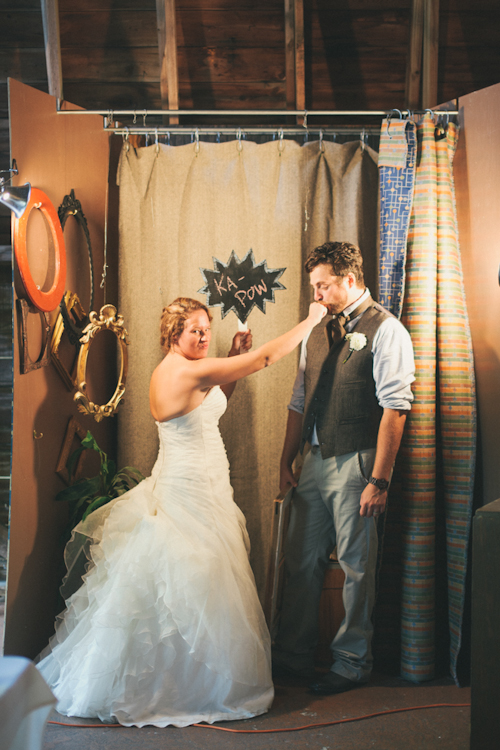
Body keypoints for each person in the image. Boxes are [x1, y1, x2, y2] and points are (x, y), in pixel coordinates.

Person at [37, 296, 326, 727]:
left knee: (200, 585)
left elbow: (210, 402)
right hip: (189, 491)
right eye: (195, 329)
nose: (204, 335)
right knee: (194, 584)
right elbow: (265, 358)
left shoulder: (187, 373)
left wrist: (229, 358)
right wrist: (312, 320)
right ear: (174, 335)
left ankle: (189, 682)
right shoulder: (183, 370)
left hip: (205, 488)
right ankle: (177, 689)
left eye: (207, 328)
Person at [272, 241, 415, 695]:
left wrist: (379, 480)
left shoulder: (387, 329)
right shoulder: (316, 329)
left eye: (323, 285)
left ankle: (352, 663)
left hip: (357, 462)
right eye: (313, 286)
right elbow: (299, 399)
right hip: (311, 462)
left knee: (356, 567)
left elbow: (396, 408)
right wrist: (285, 459)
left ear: (349, 280)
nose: (315, 295)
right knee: (300, 562)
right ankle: (293, 654)